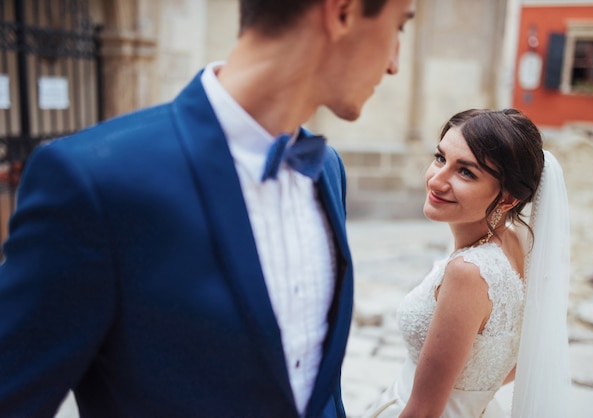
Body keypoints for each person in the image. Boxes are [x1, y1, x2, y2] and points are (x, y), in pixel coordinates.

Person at [0, 0, 415, 417]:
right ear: (341, 11)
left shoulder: (326, 169)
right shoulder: (93, 181)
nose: (396, 63)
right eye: (398, 26)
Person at [364, 109, 572, 418]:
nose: (437, 179)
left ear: (508, 198)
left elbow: (423, 412)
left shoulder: (469, 273)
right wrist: (471, 395)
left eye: (466, 172)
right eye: (440, 158)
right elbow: (521, 354)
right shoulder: (520, 243)